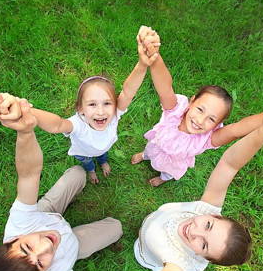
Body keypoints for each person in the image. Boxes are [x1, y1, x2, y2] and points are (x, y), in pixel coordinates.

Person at [134, 98, 263, 271]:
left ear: (206, 259)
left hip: (148, 253)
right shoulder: (204, 209)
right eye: (208, 225)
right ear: (214, 215)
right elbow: (230, 165)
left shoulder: (179, 263)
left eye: (204, 245)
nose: (194, 232)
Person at [131, 26, 263, 187]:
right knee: (150, 151)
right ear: (192, 101)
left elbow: (237, 130)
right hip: (158, 145)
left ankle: (163, 178)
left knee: (167, 172)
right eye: (200, 109)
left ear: (218, 124)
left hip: (173, 163)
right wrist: (154, 56)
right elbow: (165, 88)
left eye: (211, 119)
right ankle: (143, 156)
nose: (200, 121)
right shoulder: (175, 112)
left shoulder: (207, 139)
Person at [0, 92, 123, 271]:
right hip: (74, 246)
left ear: (11, 240)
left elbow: (29, 174)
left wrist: (25, 132)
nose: (45, 246)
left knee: (78, 173)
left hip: (45, 213)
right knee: (116, 227)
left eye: (27, 248)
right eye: (40, 264)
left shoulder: (20, 225)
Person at [14, 30, 160, 184]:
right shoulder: (78, 124)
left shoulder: (115, 113)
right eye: (92, 104)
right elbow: (57, 125)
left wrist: (143, 65)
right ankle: (91, 171)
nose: (101, 111)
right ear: (81, 109)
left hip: (105, 146)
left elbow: (128, 91)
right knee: (88, 162)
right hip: (83, 153)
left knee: (103, 155)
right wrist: (28, 111)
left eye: (107, 103)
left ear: (115, 104)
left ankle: (103, 162)